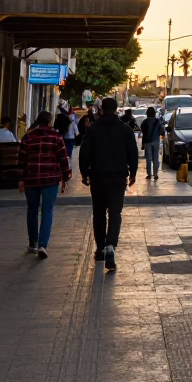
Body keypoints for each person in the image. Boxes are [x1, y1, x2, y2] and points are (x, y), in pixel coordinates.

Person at [78, 97, 138, 271]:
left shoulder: (93, 129)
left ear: (102, 109)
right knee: (115, 212)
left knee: (99, 213)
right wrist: (133, 173)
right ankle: (111, 245)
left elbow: (84, 152)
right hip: (118, 177)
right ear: (116, 109)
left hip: (98, 176)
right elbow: (132, 153)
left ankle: (100, 248)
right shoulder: (125, 129)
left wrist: (84, 173)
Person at [17, 110, 71, 258]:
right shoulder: (56, 137)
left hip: (31, 179)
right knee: (47, 211)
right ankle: (42, 244)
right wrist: (66, 176)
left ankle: (32, 242)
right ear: (50, 121)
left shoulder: (28, 137)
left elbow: (21, 160)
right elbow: (63, 158)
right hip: (51, 180)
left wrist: (20, 180)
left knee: (32, 210)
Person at [139, 106, 163, 181]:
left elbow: (143, 132)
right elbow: (162, 131)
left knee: (148, 158)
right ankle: (155, 174)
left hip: (147, 142)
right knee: (155, 158)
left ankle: (149, 174)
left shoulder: (145, 122)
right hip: (156, 141)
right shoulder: (157, 121)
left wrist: (143, 144)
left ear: (147, 113)